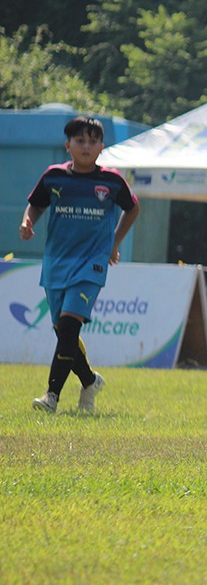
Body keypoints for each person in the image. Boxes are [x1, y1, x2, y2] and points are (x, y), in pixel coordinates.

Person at [18, 116, 140, 413]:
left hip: (91, 264)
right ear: (68, 145)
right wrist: (27, 221)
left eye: (92, 141)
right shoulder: (54, 176)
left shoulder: (112, 181)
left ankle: (51, 397)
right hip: (56, 264)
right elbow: (36, 203)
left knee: (70, 327)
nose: (86, 146)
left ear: (101, 147)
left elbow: (133, 207)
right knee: (64, 334)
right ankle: (89, 380)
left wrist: (114, 243)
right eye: (80, 141)